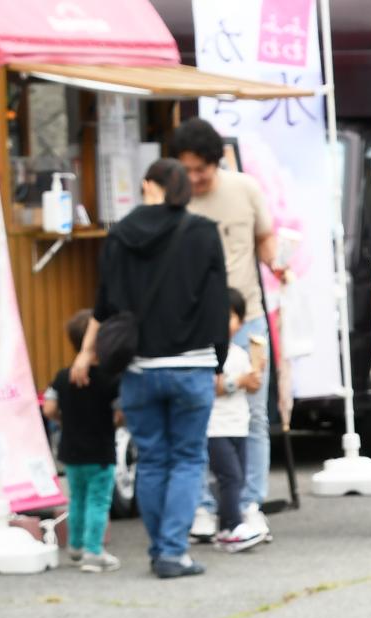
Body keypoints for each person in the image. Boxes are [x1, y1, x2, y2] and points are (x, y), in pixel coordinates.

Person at [75, 159, 230, 580]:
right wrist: (220, 358)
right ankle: (171, 552)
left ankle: (157, 547)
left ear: (148, 185)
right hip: (191, 366)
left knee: (154, 458)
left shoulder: (120, 234)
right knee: (186, 458)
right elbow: (218, 302)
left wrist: (90, 351)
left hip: (139, 367)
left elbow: (105, 304)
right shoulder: (201, 232)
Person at [172, 118, 282, 546]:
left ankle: (250, 502)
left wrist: (278, 263)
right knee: (198, 411)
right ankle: (202, 506)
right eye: (188, 169)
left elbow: (265, 238)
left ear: (217, 162)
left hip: (248, 317)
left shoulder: (245, 189)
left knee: (253, 411)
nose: (196, 178)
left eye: (202, 169)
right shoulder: (175, 200)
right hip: (195, 322)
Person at [44, 309, 121, 573]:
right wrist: (114, 422)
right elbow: (121, 412)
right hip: (100, 451)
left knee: (76, 499)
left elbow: (49, 409)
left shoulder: (62, 377)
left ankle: (74, 547)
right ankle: (93, 551)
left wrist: (65, 421)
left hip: (71, 450)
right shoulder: (111, 379)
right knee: (99, 501)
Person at [207, 290, 268, 554]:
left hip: (238, 427)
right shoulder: (210, 355)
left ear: (240, 323)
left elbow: (252, 389)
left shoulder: (241, 353)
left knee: (237, 478)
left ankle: (225, 527)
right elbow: (212, 387)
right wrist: (240, 381)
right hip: (215, 428)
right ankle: (233, 526)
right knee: (230, 477)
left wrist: (256, 373)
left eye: (230, 317)